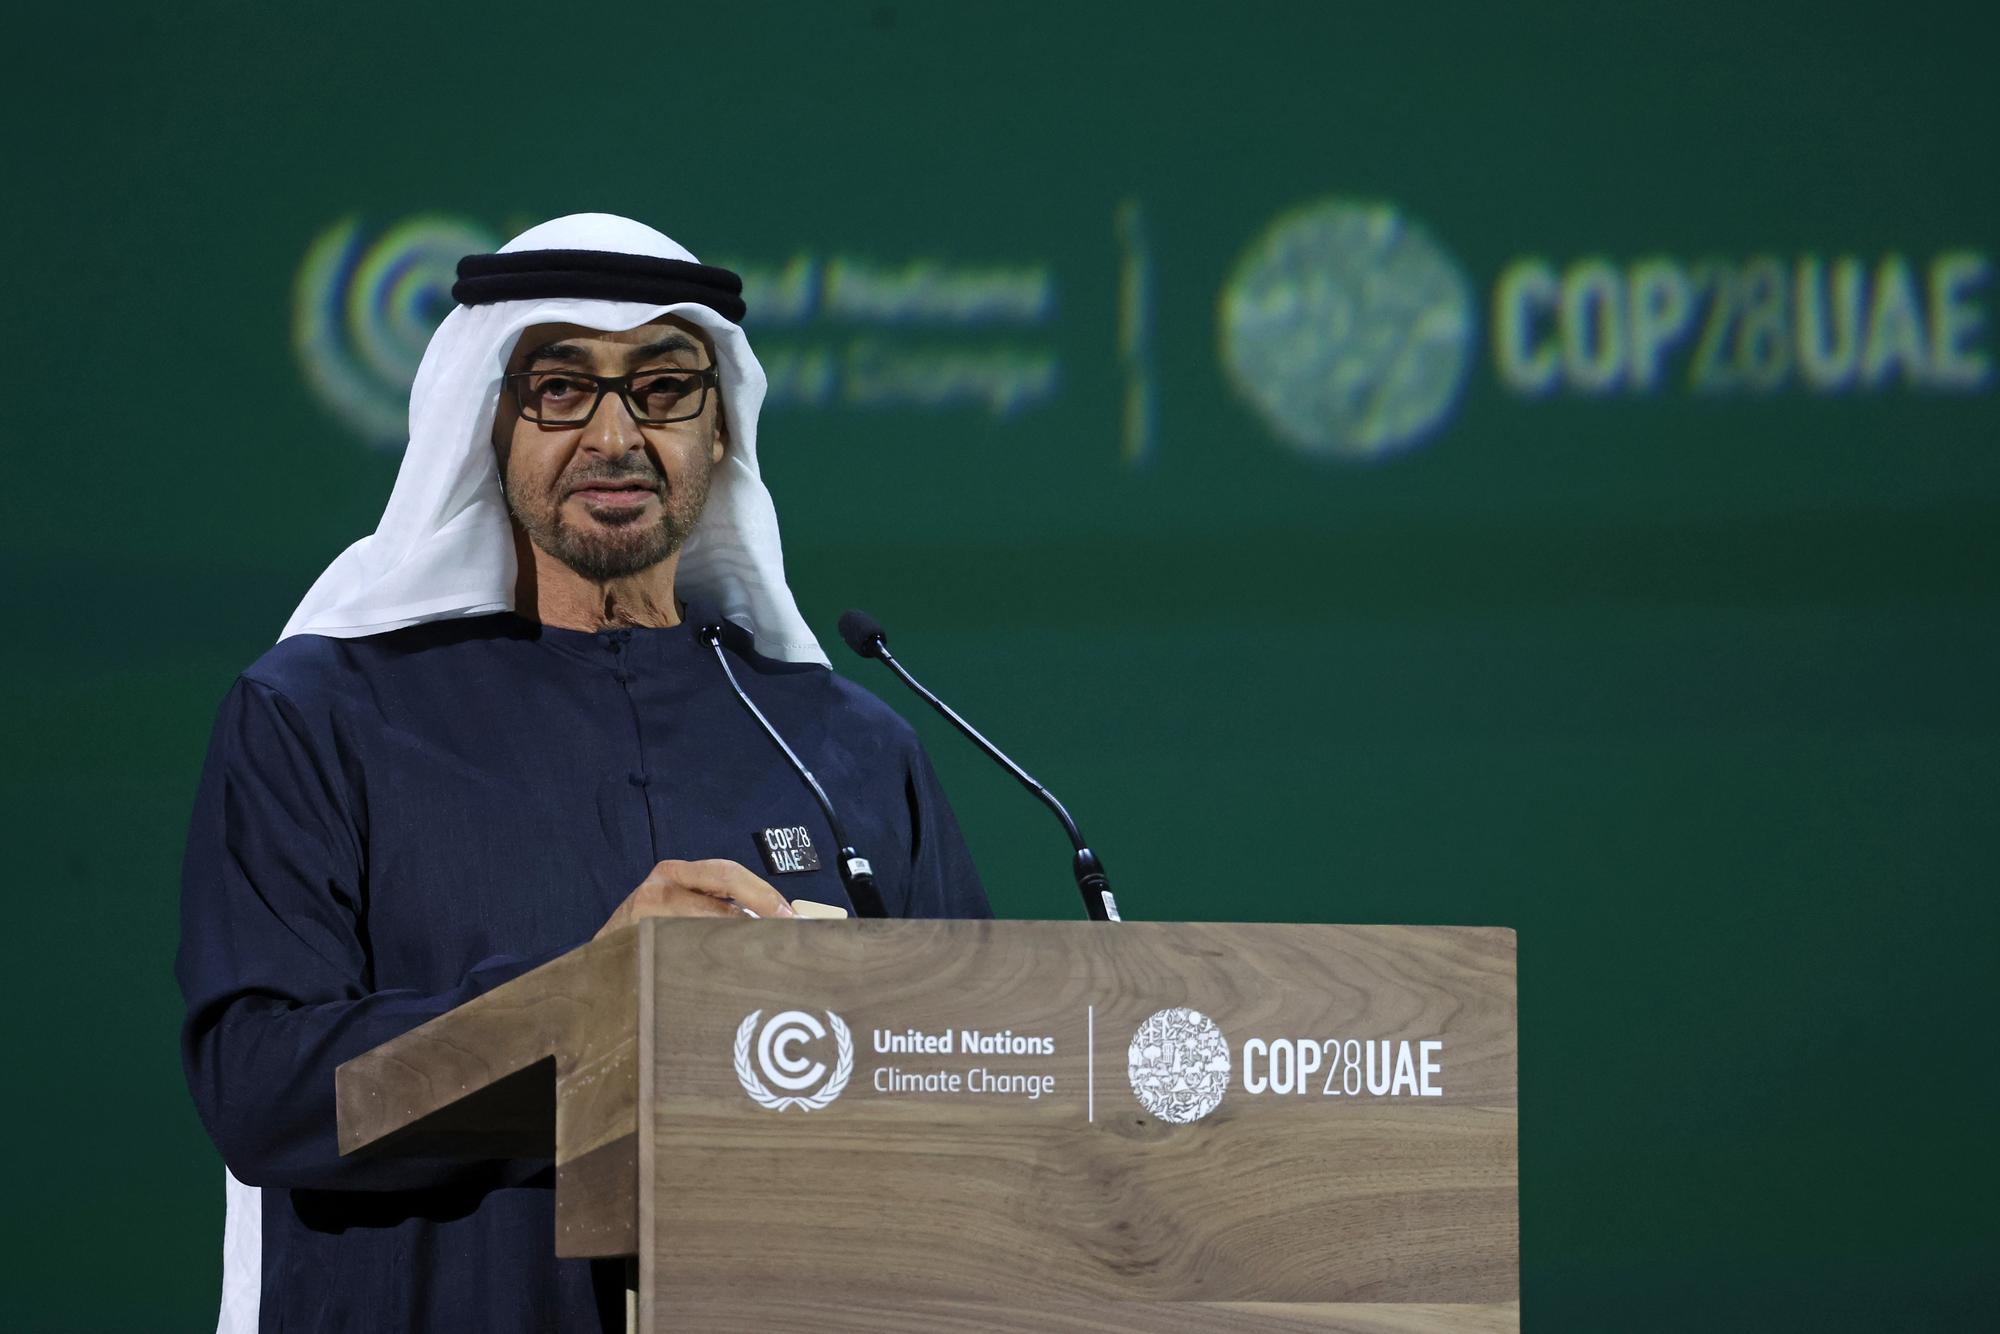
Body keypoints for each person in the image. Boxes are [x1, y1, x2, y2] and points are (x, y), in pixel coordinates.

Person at [176, 213, 990, 1333]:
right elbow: (262, 1092)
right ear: (489, 421)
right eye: (561, 388)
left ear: (718, 429)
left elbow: (984, 1085)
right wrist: (590, 999)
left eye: (663, 387)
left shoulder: (845, 743)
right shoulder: (322, 715)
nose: (616, 434)